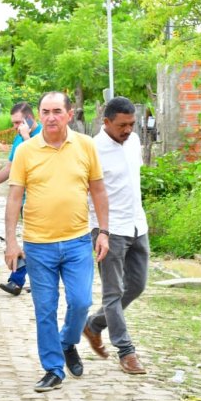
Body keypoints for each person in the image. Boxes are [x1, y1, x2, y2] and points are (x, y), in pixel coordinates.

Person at [4, 91, 109, 392]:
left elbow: (99, 192)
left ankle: (67, 342)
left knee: (80, 301)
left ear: (69, 113)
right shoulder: (26, 151)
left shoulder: (85, 146)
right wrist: (12, 242)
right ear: (38, 115)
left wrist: (104, 231)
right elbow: (13, 199)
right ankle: (53, 368)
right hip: (38, 245)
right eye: (45, 112)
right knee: (45, 309)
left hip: (77, 242)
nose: (51, 117)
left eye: (56, 111)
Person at [85, 97, 149, 375]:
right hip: (108, 230)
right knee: (113, 292)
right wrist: (99, 230)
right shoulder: (91, 149)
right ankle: (126, 351)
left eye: (132, 124)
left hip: (137, 224)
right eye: (122, 125)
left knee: (136, 286)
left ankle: (94, 324)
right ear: (106, 122)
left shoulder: (134, 142)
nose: (128, 130)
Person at [0, 101, 42, 296]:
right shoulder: (18, 138)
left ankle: (19, 280)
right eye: (13, 123)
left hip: (41, 200)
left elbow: (36, 163)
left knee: (36, 243)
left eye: (18, 122)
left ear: (31, 118)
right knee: (30, 241)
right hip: (24, 201)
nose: (15, 127)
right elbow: (10, 167)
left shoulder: (41, 136)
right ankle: (20, 279)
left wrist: (26, 137)